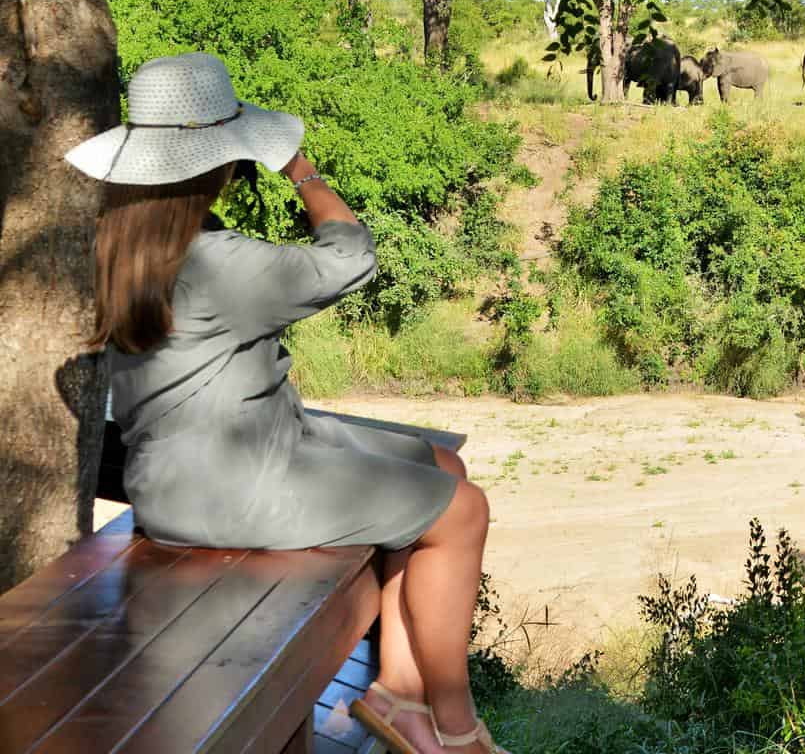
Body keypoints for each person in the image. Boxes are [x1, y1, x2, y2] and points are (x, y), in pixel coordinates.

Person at [65, 52, 507, 754]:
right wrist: (301, 170)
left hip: (193, 471)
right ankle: (454, 728)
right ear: (216, 163)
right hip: (233, 490)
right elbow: (350, 256)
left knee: (443, 469)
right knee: (465, 511)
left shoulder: (122, 247)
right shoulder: (218, 264)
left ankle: (398, 689)